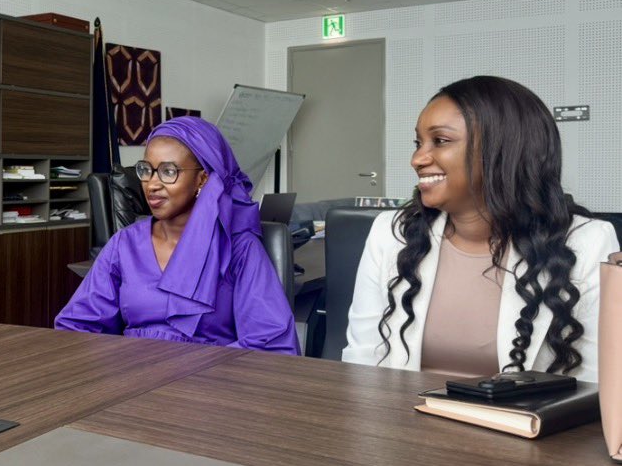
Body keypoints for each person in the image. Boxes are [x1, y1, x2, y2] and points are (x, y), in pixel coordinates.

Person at [343, 76, 618, 381]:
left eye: (441, 141)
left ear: (503, 151)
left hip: (526, 426)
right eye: (418, 143)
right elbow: (360, 360)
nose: (417, 159)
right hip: (402, 420)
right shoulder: (392, 232)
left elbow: (599, 381)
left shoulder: (587, 241)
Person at [55, 116, 298, 352]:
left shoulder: (239, 247)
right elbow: (77, 325)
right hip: (130, 377)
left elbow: (269, 341)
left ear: (202, 179)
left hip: (209, 383)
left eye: (168, 172)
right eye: (145, 170)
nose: (152, 184)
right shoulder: (125, 243)